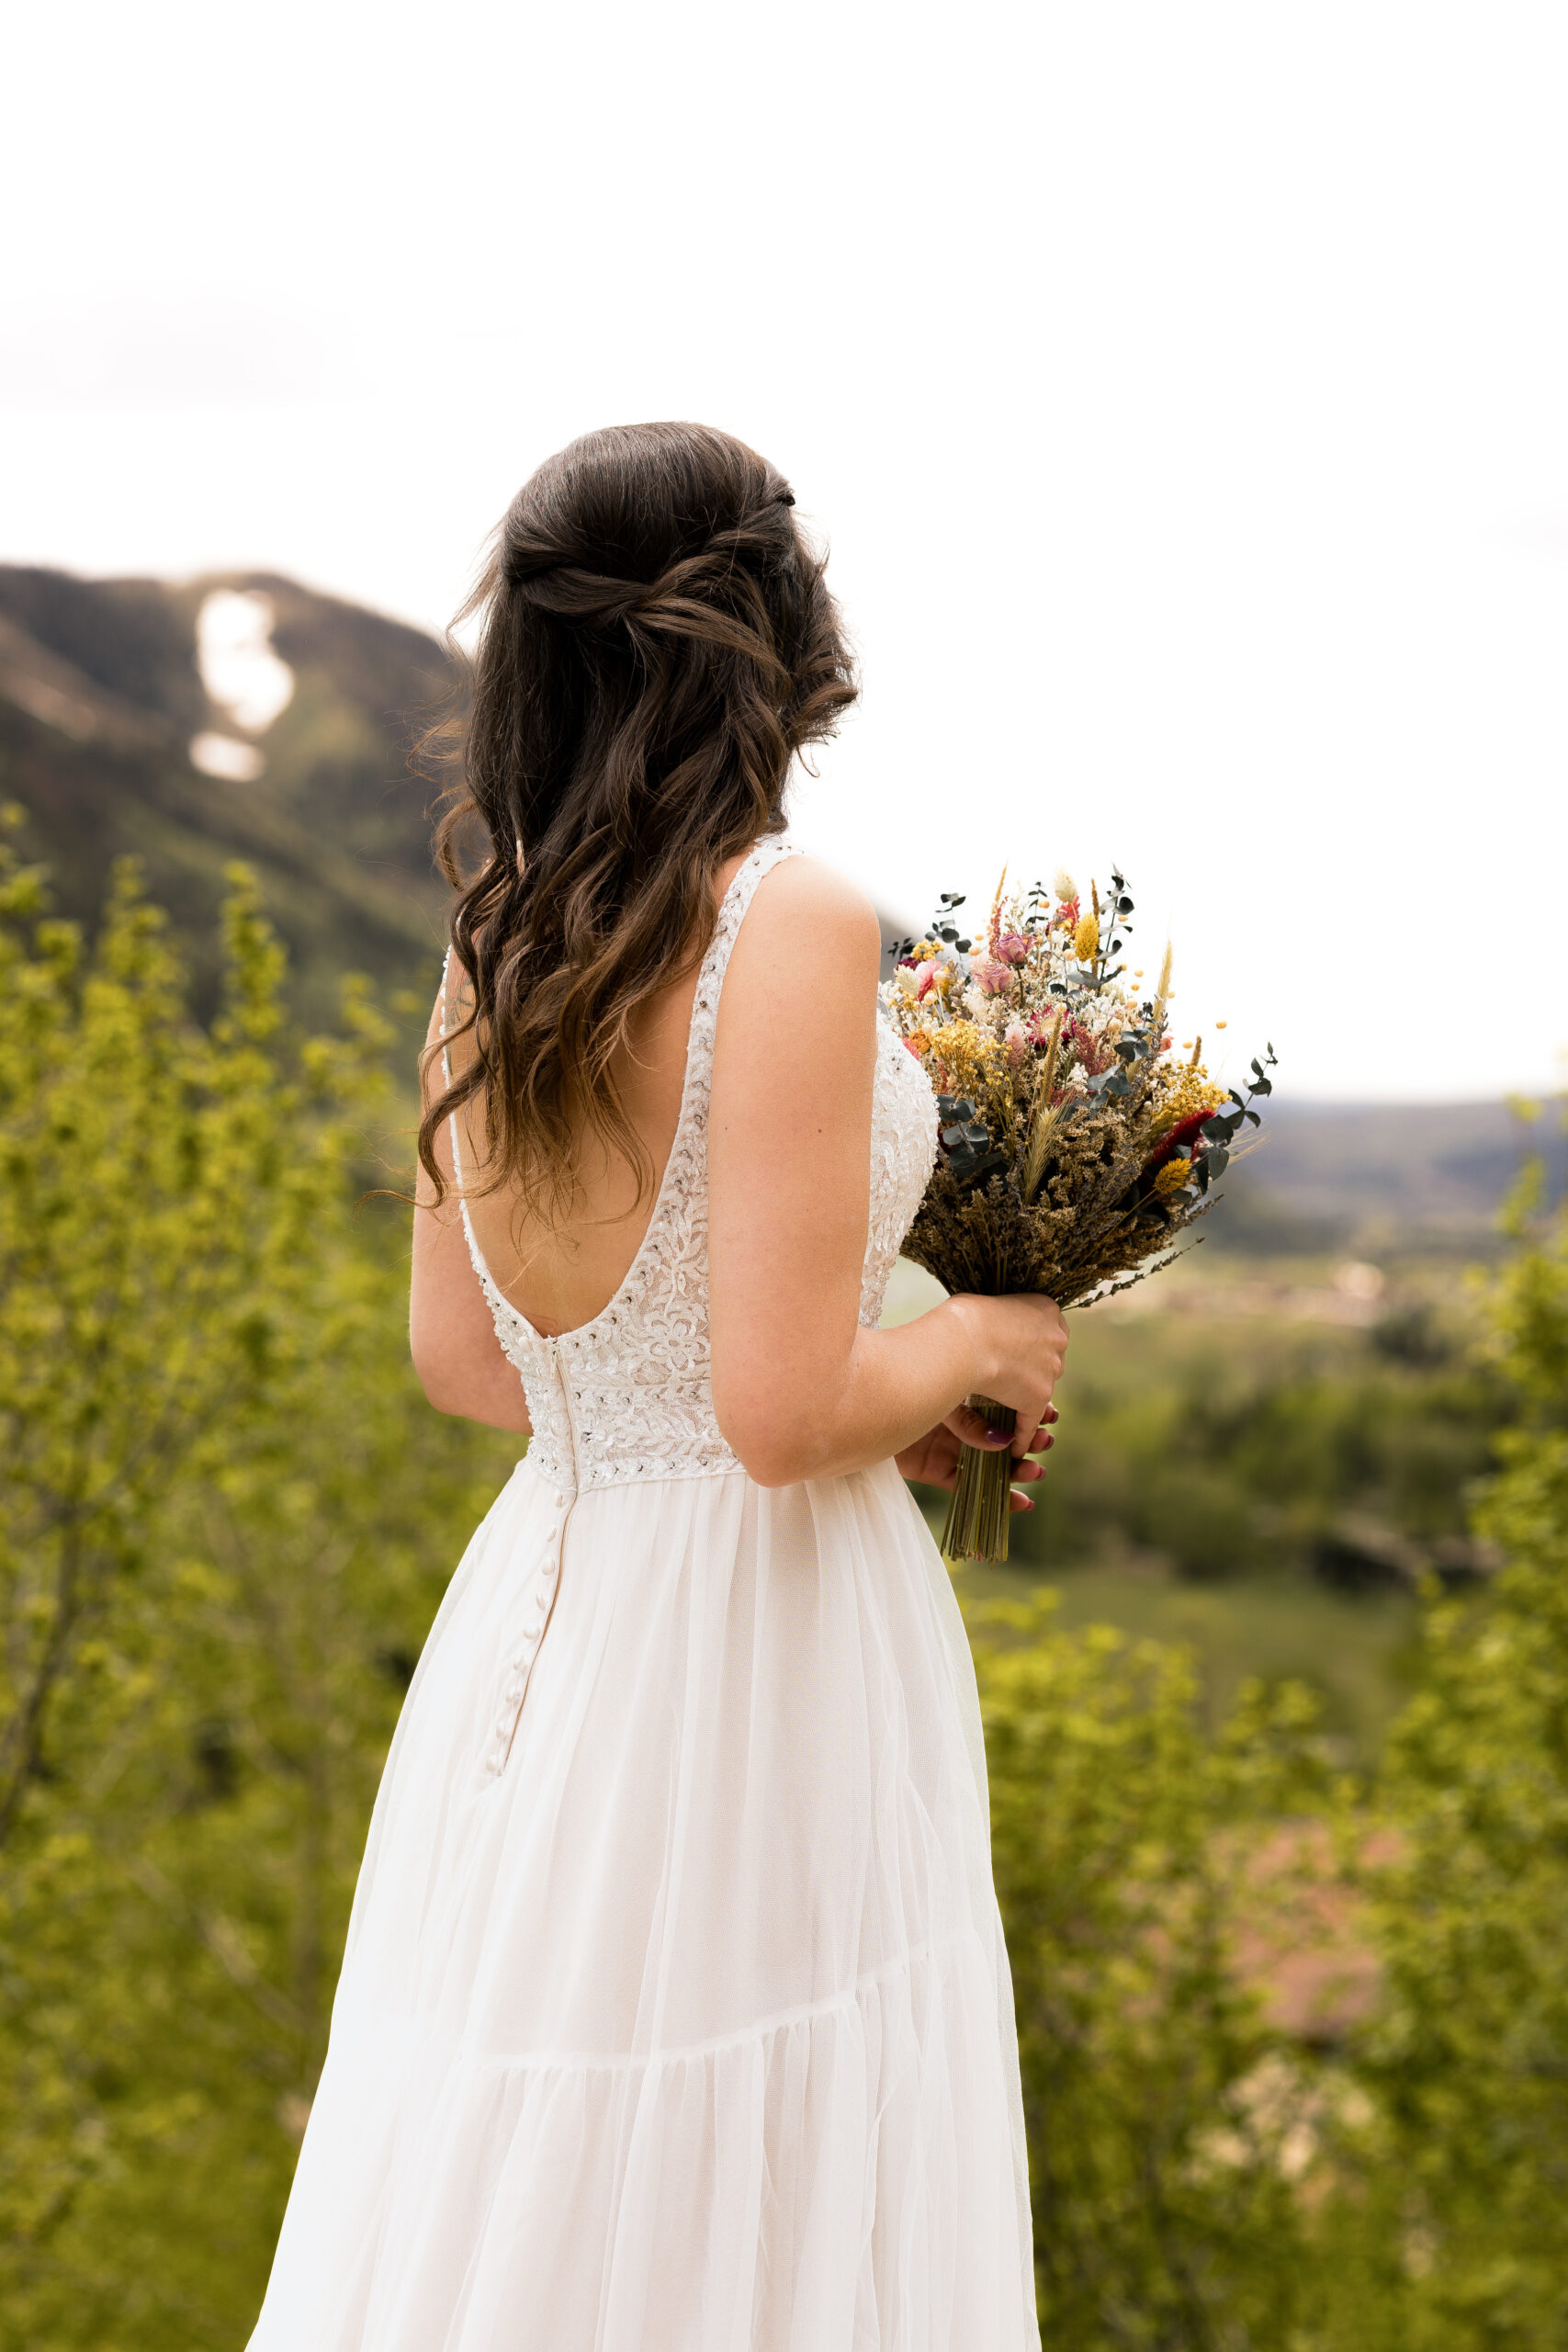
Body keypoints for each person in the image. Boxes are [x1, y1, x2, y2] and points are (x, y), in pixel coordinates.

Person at [246, 421, 1067, 2350]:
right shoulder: (785, 916)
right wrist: (965, 1342)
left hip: (549, 1617)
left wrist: (824, 1377)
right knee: (767, 2172)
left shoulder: (498, 942)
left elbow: (471, 1361)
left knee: (543, 2150)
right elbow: (777, 1414)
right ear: (767, 629)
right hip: (758, 1644)